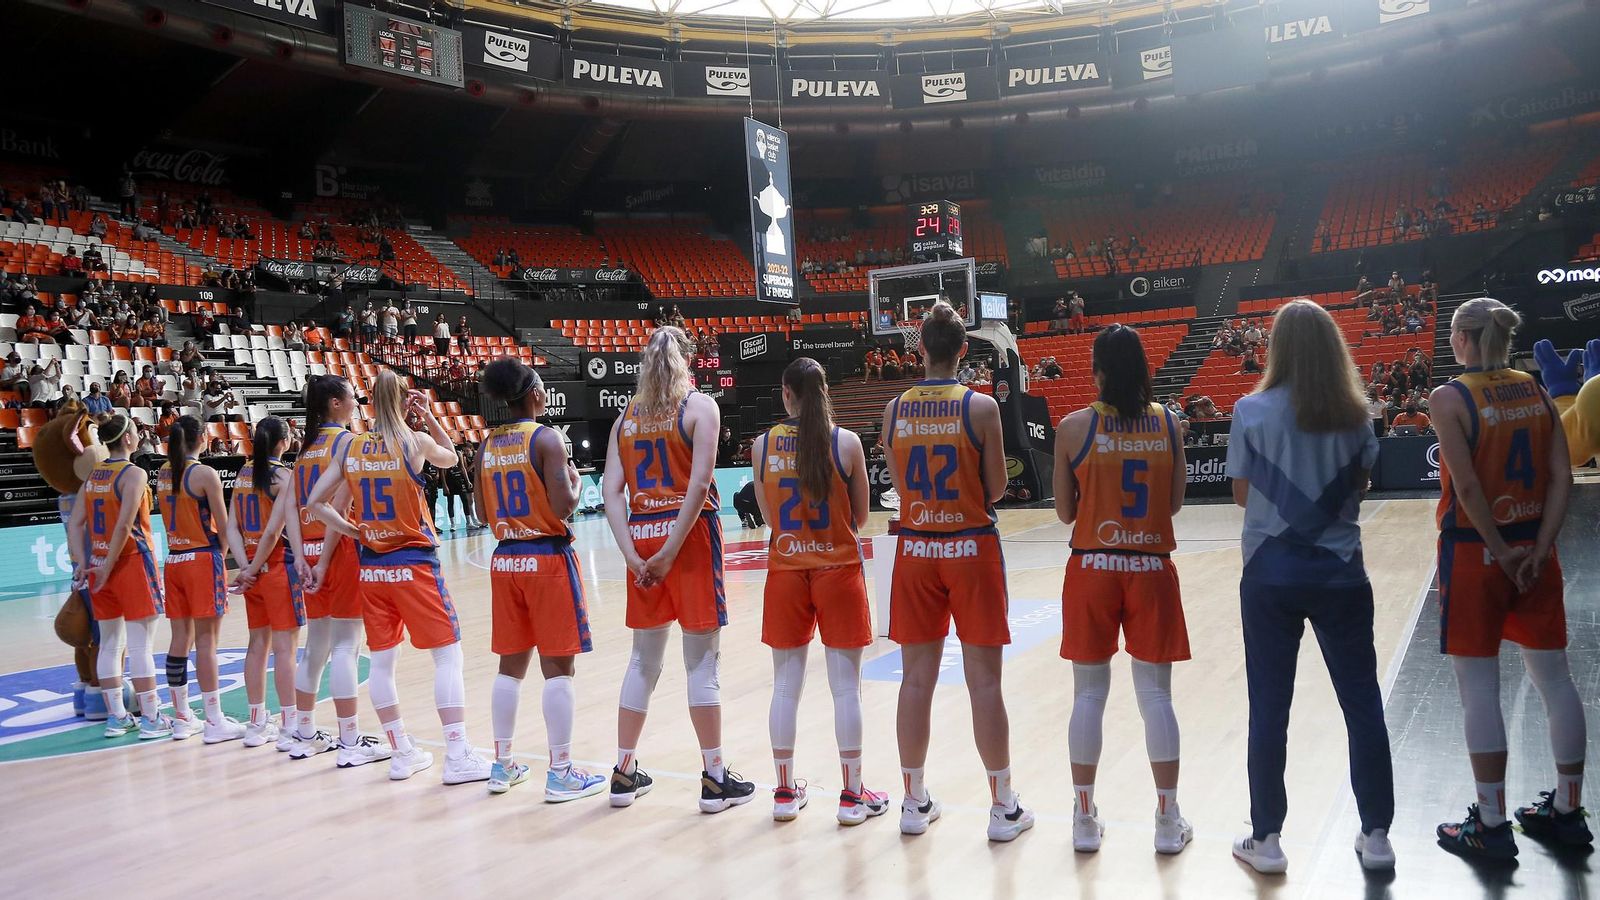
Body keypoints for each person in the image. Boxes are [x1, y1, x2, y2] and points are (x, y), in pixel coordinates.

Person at [1225, 300, 1395, 874]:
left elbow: (1245, 496)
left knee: (1269, 709)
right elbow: (1360, 488)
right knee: (1362, 703)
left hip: (1269, 578)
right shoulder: (1358, 416)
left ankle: (1267, 838)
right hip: (1342, 575)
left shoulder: (1249, 410)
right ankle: (1376, 835)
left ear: (1277, 349)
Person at [1430, 299, 1590, 858]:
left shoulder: (1448, 398)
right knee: (1556, 681)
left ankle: (1492, 824)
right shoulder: (1537, 389)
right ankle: (1569, 811)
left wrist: (1499, 552)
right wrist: (1539, 549)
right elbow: (1561, 476)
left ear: (1462, 338)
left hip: (1478, 552)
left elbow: (1469, 490)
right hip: (1534, 552)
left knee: (1479, 690)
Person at [879, 303, 1032, 842]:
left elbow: (899, 484)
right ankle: (1002, 806)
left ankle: (913, 801)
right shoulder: (982, 407)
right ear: (963, 350)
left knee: (915, 681)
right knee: (984, 682)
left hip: (917, 548)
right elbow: (995, 490)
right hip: (970, 546)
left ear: (919, 348)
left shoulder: (894, 409)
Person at [305, 369, 491, 784]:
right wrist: (430, 418)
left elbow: (316, 501)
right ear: (406, 400)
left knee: (383, 662)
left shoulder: (351, 447)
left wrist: (356, 530)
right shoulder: (414, 442)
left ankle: (400, 750)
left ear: (369, 401)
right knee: (447, 656)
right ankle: (458, 753)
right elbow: (452, 457)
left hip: (372, 568)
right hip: (414, 563)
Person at [1052, 324, 1192, 855]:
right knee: (1155, 696)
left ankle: (1084, 819)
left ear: (1099, 370)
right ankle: (1166, 818)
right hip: (1152, 566)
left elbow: (1065, 512)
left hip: (1092, 565)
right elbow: (1174, 504)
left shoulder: (1072, 427)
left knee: (1088, 694)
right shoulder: (1168, 423)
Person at [602, 326, 754, 812]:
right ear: (687, 361)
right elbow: (700, 482)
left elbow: (611, 493)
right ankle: (713, 778)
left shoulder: (624, 417)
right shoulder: (700, 407)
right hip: (686, 536)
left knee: (643, 661)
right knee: (702, 662)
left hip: (642, 530)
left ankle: (624, 772)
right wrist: (670, 549)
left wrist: (632, 555)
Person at [751, 357, 888, 825]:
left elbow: (769, 519)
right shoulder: (845, 443)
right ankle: (852, 796)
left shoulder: (762, 444)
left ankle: (785, 792)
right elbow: (861, 518)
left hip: (786, 569)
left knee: (785, 687)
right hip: (838, 569)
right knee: (846, 688)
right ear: (825, 391)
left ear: (786, 393)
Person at [474, 359, 607, 800]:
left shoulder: (485, 445)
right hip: (545, 559)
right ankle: (562, 771)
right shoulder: (547, 439)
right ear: (533, 393)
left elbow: (480, 514)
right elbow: (565, 505)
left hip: (505, 559)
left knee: (509, 668)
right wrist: (572, 477)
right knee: (558, 668)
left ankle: (502, 765)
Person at [287, 375, 388, 766]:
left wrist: (300, 557)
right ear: (334, 403)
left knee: (315, 647)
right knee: (347, 645)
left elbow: (292, 510)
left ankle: (305, 733)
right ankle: (349, 740)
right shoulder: (346, 442)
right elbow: (339, 509)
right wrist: (329, 556)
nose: (356, 403)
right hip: (338, 548)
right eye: (351, 398)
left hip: (307, 551)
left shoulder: (305, 448)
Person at [67, 415, 173, 739]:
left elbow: (75, 525)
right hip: (131, 563)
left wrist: (83, 564)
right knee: (141, 647)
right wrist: (109, 564)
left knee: (111, 644)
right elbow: (125, 527)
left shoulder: (92, 476)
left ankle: (116, 717)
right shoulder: (135, 474)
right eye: (136, 431)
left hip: (98, 566)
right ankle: (152, 718)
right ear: (127, 439)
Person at [157, 416, 245, 743]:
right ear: (200, 438)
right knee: (207, 642)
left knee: (180, 640)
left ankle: (182, 717)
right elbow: (224, 525)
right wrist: (221, 556)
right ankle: (213, 720)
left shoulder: (164, 473)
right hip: (201, 557)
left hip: (173, 559)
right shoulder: (204, 473)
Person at [230, 417, 309, 755]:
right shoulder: (283, 477)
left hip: (252, 570)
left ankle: (256, 722)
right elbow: (274, 532)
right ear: (283, 442)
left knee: (257, 645)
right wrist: (258, 565)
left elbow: (231, 526)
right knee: (285, 650)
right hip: (276, 568)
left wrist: (245, 567)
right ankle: (290, 725)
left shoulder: (242, 474)